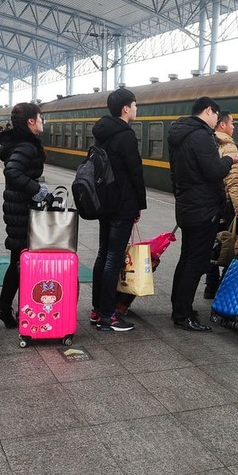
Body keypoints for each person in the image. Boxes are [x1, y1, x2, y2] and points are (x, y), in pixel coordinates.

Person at [167, 96, 238, 331]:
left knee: (186, 259)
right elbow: (213, 171)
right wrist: (228, 160)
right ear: (209, 110)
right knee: (196, 263)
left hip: (187, 205)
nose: (217, 120)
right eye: (216, 115)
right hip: (203, 208)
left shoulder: (179, 133)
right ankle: (183, 315)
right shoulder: (201, 135)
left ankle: (180, 309)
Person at [89, 88, 146, 331]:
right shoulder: (126, 135)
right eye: (134, 105)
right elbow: (135, 172)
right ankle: (108, 315)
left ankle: (97, 310)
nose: (136, 108)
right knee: (113, 257)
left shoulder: (102, 132)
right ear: (125, 108)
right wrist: (139, 204)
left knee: (103, 254)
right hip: (122, 204)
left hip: (104, 203)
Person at [0, 102, 49, 331]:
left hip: (17, 207)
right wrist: (38, 190)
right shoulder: (27, 146)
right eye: (40, 118)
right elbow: (12, 171)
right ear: (31, 122)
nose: (43, 122)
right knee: (19, 262)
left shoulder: (19, 143)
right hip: (22, 211)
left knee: (18, 261)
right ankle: (6, 308)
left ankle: (4, 308)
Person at [204, 110, 238, 299]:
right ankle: (222, 286)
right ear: (222, 125)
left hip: (210, 202)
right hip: (226, 203)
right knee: (228, 243)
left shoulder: (208, 141)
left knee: (212, 244)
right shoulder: (228, 146)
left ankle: (210, 286)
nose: (233, 127)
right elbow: (233, 180)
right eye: (232, 123)